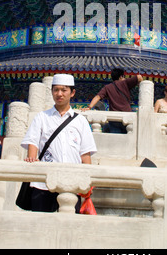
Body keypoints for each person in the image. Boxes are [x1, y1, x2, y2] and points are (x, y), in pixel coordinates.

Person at [21, 73, 97, 213]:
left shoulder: (80, 121)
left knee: (69, 226)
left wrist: (88, 182)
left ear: (72, 93)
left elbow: (85, 155)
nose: (59, 94)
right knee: (41, 224)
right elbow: (33, 143)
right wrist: (32, 158)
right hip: (43, 182)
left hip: (72, 182)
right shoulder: (42, 117)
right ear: (51, 92)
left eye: (64, 90)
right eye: (56, 90)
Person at [85, 68, 143, 133]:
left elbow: (97, 97)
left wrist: (89, 107)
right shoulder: (125, 83)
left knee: (115, 140)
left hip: (114, 120)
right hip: (127, 118)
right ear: (121, 76)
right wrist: (140, 85)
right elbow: (139, 76)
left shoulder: (107, 87)